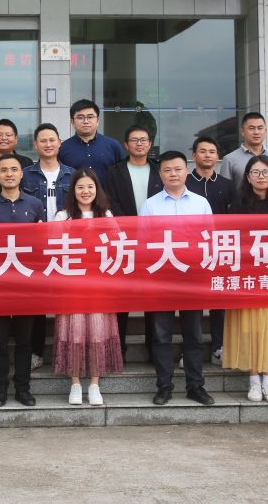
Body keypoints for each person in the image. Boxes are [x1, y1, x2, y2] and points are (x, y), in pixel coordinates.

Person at [139, 150, 214, 407]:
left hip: (192, 279)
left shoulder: (201, 203)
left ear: (187, 171)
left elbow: (209, 240)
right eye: (167, 170)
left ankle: (196, 386)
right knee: (161, 335)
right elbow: (143, 242)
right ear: (160, 174)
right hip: (162, 278)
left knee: (194, 335)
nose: (173, 174)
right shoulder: (150, 205)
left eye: (178, 169)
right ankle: (164, 386)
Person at [223, 155, 268, 405]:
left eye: (266, 172)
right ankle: (254, 380)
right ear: (247, 177)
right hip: (247, 275)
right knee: (250, 326)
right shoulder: (238, 204)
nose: (261, 176)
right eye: (256, 172)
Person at [51, 169, 123, 405]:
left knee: (97, 331)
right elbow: (52, 246)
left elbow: (118, 245)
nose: (85, 191)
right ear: (73, 191)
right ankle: (74, 384)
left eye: (90, 187)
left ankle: (94, 384)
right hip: (71, 285)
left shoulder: (106, 214)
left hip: (99, 284)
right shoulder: (63, 216)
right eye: (80, 187)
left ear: (96, 189)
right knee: (75, 331)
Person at [0, 154, 44, 407]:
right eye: (4, 170)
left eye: (14, 170)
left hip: (26, 284)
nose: (9, 174)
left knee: (25, 341)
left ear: (21, 173)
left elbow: (41, 245)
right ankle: (0, 388)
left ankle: (23, 388)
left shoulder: (35, 204)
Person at [102, 124, 163, 361]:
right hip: (123, 240)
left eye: (143, 140)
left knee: (153, 297)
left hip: (155, 243)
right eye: (134, 140)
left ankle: (153, 348)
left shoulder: (159, 170)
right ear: (126, 145)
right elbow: (110, 202)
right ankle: (119, 349)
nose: (139, 144)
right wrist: (127, 229)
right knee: (122, 297)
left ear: (150, 144)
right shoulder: (114, 171)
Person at [21, 123, 75, 370]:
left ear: (59, 142)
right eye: (43, 140)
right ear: (35, 145)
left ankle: (68, 351)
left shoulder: (73, 175)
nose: (48, 144)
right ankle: (35, 352)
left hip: (67, 246)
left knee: (67, 300)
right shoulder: (25, 174)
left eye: (52, 140)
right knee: (37, 301)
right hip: (36, 246)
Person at [186, 135, 234, 366]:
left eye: (212, 152)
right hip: (189, 251)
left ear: (218, 157)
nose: (207, 155)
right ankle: (191, 349)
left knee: (219, 301)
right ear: (194, 155)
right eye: (203, 151)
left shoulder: (227, 185)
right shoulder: (184, 183)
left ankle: (218, 346)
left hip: (219, 249)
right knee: (191, 303)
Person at [218, 112, 268, 202]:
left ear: (265, 131)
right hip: (243, 208)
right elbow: (225, 192)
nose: (256, 132)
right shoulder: (230, 159)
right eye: (251, 128)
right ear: (242, 131)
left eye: (260, 128)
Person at [58, 99, 124, 179]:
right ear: (72, 122)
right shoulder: (63, 148)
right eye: (80, 117)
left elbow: (122, 176)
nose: (86, 121)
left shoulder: (113, 146)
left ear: (98, 120)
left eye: (90, 117)